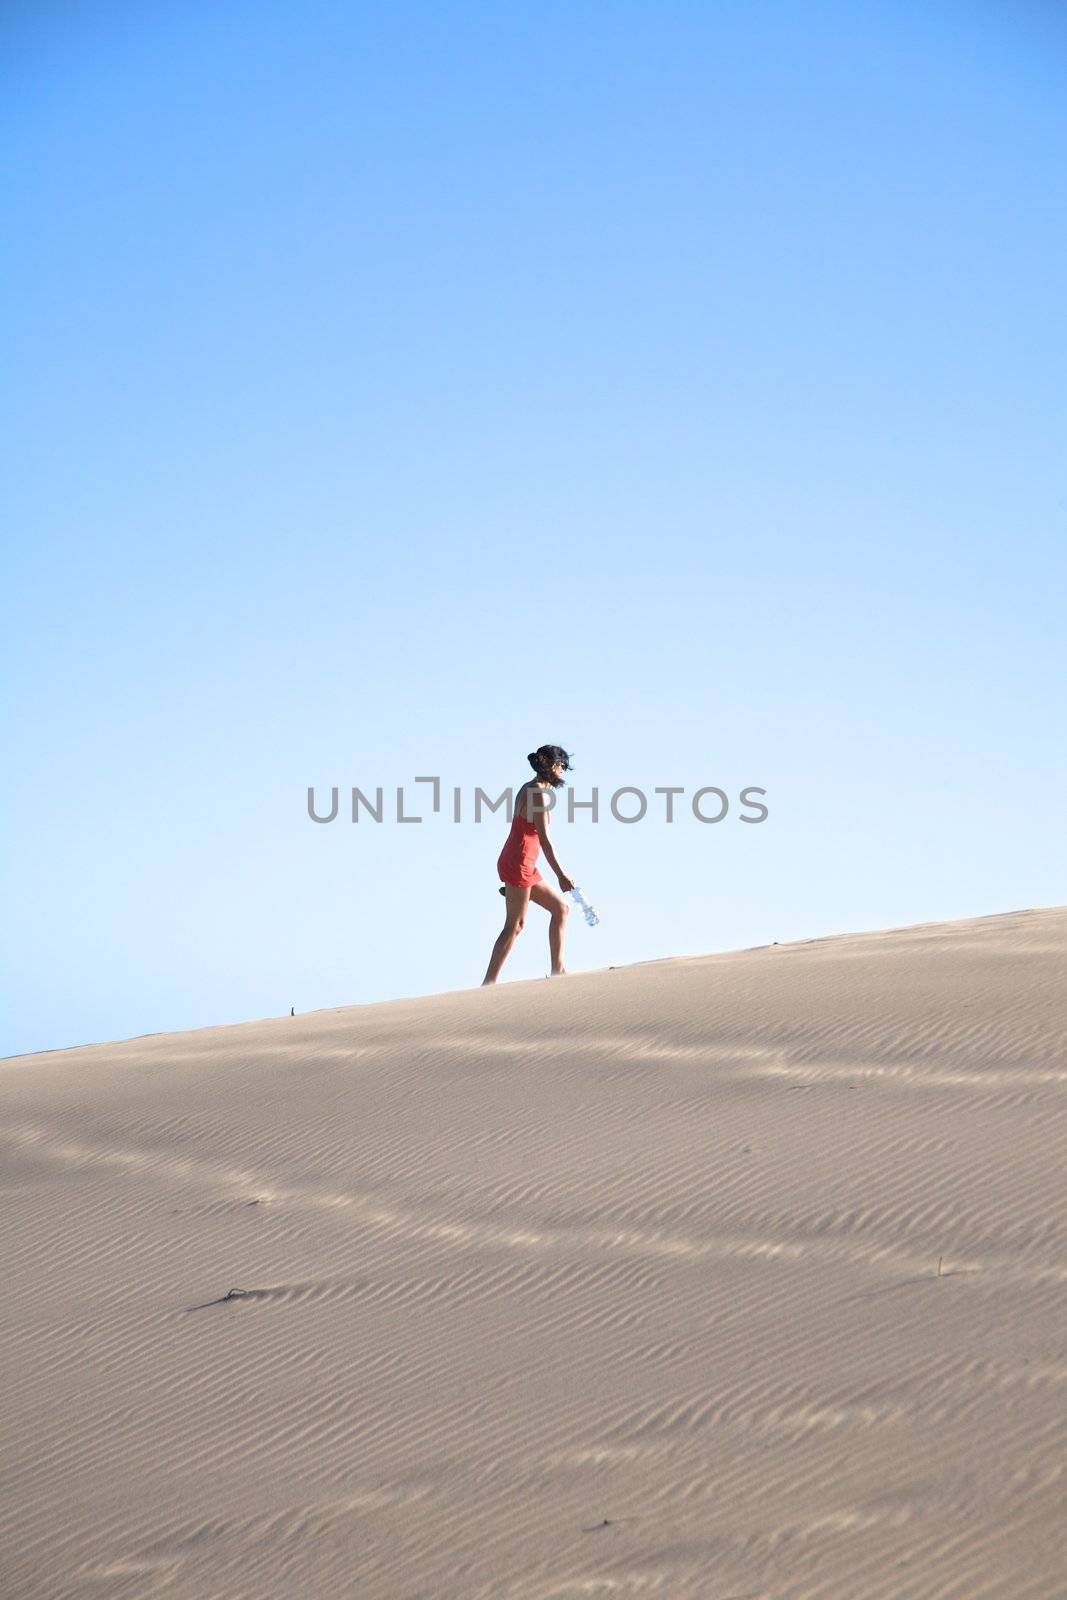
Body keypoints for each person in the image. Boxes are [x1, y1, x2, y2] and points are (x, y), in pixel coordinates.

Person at [482, 745, 575, 984]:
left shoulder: (529, 788)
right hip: (519, 862)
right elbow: (544, 840)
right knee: (515, 925)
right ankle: (488, 984)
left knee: (560, 909)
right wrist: (561, 875)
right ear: (553, 766)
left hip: (520, 861)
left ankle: (558, 971)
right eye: (562, 766)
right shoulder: (539, 795)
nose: (563, 772)